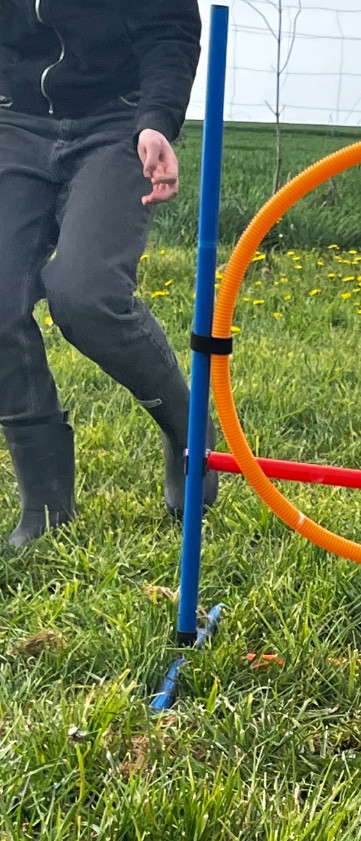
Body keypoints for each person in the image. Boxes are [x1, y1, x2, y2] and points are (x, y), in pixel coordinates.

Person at [0, 0, 217, 548]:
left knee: (86, 295)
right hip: (13, 121)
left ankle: (186, 430)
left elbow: (170, 30)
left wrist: (157, 120)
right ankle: (46, 502)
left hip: (118, 124)